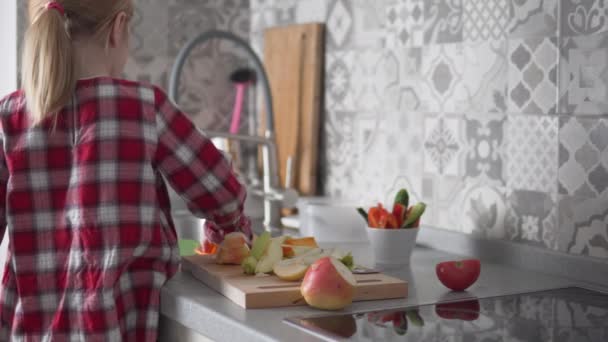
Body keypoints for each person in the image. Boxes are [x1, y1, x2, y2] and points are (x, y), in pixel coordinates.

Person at [0, 1, 251, 340]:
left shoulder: (8, 117)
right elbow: (223, 193)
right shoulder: (145, 107)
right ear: (119, 28)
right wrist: (230, 231)